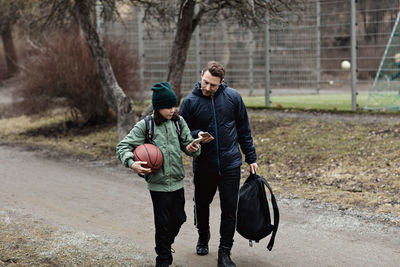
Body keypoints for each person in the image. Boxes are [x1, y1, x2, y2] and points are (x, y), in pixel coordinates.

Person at [179, 61, 258, 267]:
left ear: (221, 82)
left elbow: (244, 130)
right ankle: (203, 236)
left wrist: (251, 158)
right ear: (201, 75)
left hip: (231, 163)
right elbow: (182, 135)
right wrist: (196, 137)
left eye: (213, 85)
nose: (207, 88)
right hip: (204, 165)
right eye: (205, 82)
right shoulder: (189, 102)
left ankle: (225, 252)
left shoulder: (233, 98)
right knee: (202, 203)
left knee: (229, 208)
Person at [116, 82, 201, 267]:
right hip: (158, 185)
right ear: (158, 107)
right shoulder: (146, 125)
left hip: (177, 182)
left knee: (180, 218)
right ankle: (162, 258)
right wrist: (132, 163)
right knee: (162, 224)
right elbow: (123, 146)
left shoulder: (179, 122)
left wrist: (194, 147)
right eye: (168, 107)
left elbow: (189, 145)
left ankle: (165, 245)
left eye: (174, 105)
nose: (173, 110)